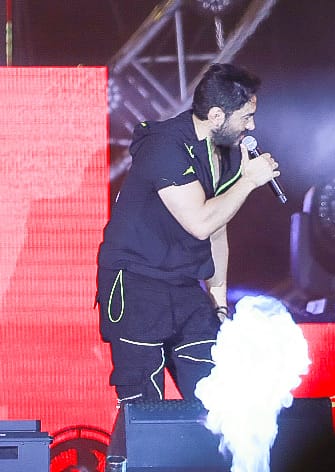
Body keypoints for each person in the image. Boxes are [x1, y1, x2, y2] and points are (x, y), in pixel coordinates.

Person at [95, 63, 281, 406]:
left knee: (214, 393)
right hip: (137, 282)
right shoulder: (164, 146)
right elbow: (200, 222)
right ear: (216, 115)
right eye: (245, 117)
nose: (252, 126)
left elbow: (217, 227)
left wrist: (219, 302)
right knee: (144, 402)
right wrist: (248, 181)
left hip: (183, 284)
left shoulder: (227, 153)